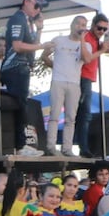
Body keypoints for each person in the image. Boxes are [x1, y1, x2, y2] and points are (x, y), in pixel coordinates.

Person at [0, 0, 54, 153]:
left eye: (41, 7)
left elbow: (31, 50)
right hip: (14, 68)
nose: (39, 10)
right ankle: (20, 145)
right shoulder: (18, 18)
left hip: (22, 69)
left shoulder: (27, 22)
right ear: (27, 1)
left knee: (22, 105)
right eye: (37, 5)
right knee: (21, 106)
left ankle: (21, 144)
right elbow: (17, 46)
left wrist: (39, 30)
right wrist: (42, 45)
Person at [41, 15, 90, 156]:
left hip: (74, 83)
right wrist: (56, 67)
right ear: (72, 25)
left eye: (83, 25)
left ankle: (67, 148)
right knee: (54, 114)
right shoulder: (59, 40)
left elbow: (86, 59)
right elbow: (44, 56)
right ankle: (51, 146)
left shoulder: (86, 45)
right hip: (58, 81)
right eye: (78, 24)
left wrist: (82, 40)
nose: (81, 27)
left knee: (71, 118)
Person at [74, 13, 109, 157]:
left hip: (88, 78)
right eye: (99, 28)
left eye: (104, 30)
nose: (101, 32)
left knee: (84, 114)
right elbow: (87, 58)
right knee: (84, 114)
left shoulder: (94, 39)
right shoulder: (86, 37)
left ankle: (84, 147)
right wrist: (102, 49)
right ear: (93, 26)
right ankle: (84, 147)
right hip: (82, 77)